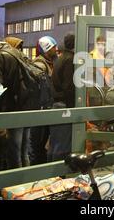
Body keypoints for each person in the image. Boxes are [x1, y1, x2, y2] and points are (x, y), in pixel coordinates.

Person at [0, 39, 30, 169]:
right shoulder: (20, 54)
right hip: (27, 105)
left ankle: (16, 184)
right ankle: (27, 181)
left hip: (13, 107)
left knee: (14, 151)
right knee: (24, 151)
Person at [29, 36, 58, 164]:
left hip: (46, 107)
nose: (56, 49)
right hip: (40, 109)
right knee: (37, 144)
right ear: (47, 49)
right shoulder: (40, 65)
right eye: (53, 47)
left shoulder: (49, 63)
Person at [49, 33, 75, 161]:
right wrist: (73, 108)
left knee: (54, 143)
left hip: (56, 104)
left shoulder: (60, 58)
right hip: (65, 106)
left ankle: (50, 175)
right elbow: (68, 86)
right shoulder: (70, 59)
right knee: (62, 145)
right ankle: (58, 175)